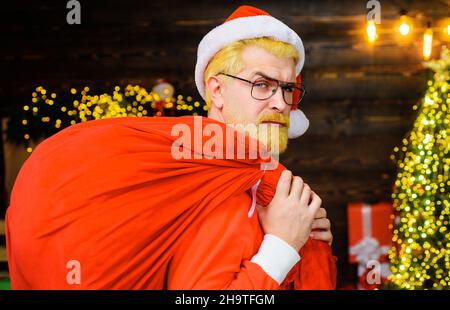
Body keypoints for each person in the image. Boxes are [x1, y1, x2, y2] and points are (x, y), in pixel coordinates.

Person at [6, 5, 336, 289]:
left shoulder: (254, 183)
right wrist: (282, 245)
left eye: (288, 89)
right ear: (216, 91)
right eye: (262, 84)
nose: (281, 103)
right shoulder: (217, 190)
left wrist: (296, 236)